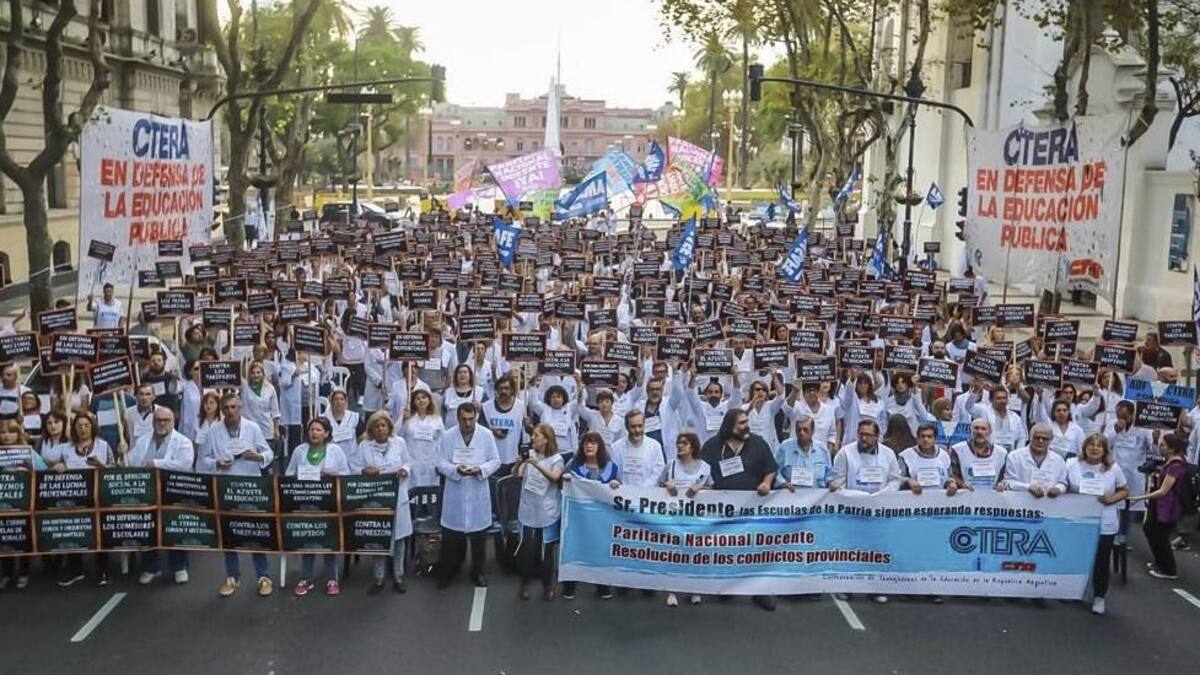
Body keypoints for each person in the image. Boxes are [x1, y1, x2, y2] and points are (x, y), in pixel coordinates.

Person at [700, 408, 777, 611]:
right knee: (727, 549)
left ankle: (760, 592)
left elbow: (770, 469)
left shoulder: (758, 443)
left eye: (746, 421)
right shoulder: (713, 446)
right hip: (723, 510)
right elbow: (701, 473)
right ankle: (728, 587)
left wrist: (767, 483)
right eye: (741, 423)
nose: (746, 426)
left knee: (756, 551)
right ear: (729, 426)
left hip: (753, 509)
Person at [200, 393, 275, 598]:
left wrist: (257, 457)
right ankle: (232, 577)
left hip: (250, 486)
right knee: (229, 532)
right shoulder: (213, 431)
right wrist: (216, 463)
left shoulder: (252, 428)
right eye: (226, 408)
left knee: (255, 531)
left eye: (234, 407)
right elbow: (203, 460)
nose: (230, 412)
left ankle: (264, 576)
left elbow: (269, 453)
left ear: (240, 407)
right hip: (226, 487)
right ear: (221, 410)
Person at [42, 411, 112, 586]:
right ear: (74, 428)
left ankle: (103, 570)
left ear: (92, 427)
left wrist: (101, 466)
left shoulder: (103, 446)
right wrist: (58, 466)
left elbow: (114, 470)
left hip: (97, 495)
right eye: (79, 425)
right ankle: (76, 570)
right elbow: (53, 468)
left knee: (99, 532)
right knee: (73, 530)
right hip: (73, 497)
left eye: (86, 425)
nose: (83, 429)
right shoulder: (66, 448)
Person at [435, 402, 500, 589]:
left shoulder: (486, 435)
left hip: (478, 491)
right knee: (451, 539)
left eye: (471, 419)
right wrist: (456, 470)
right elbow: (440, 462)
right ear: (458, 418)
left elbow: (496, 461)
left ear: (476, 416)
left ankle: (478, 572)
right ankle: (448, 572)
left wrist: (480, 469)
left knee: (479, 539)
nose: (468, 423)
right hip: (456, 492)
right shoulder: (448, 436)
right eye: (464, 419)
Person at [286, 417, 350, 596]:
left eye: (318, 430)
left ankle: (332, 579)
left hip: (328, 503)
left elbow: (347, 475)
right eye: (312, 429)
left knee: (328, 541)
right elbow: (288, 473)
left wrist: (333, 473)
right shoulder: (299, 451)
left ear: (327, 433)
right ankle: (306, 579)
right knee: (308, 539)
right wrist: (299, 475)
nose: (314, 433)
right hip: (305, 503)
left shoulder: (336, 451)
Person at [129, 407, 194, 585]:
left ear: (173, 422)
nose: (162, 423)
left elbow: (184, 464)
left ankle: (179, 567)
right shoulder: (143, 440)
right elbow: (132, 462)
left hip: (172, 491)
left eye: (166, 420)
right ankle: (151, 567)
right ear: (153, 422)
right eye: (159, 420)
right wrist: (123, 454)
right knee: (148, 528)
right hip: (147, 492)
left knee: (173, 529)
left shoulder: (183, 442)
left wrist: (156, 463)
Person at [1065, 434, 1129, 615]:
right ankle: (1072, 591)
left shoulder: (1113, 468)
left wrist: (1112, 499)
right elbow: (1062, 484)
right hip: (1076, 519)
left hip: (1105, 521)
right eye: (1091, 445)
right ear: (1084, 448)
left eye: (1099, 446)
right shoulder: (1071, 464)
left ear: (1104, 450)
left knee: (1101, 560)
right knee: (1076, 556)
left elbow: (1125, 490)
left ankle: (1099, 597)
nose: (1094, 448)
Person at [561, 431, 620, 600]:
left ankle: (602, 585)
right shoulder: (574, 464)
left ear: (600, 446)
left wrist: (616, 484)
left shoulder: (611, 467)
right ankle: (570, 585)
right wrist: (565, 480)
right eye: (586, 443)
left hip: (601, 519)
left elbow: (619, 489)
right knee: (574, 548)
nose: (589, 446)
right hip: (578, 519)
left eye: (593, 443)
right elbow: (561, 484)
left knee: (600, 550)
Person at [357, 411, 412, 593]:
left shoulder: (400, 443)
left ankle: (398, 575)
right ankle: (379, 578)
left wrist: (404, 469)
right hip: (376, 498)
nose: (380, 429)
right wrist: (365, 470)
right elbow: (355, 466)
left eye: (383, 426)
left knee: (399, 539)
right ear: (371, 429)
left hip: (398, 496)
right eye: (376, 426)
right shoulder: (364, 446)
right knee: (378, 537)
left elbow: (408, 461)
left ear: (389, 427)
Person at [514, 423, 564, 601]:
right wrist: (520, 462)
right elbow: (517, 474)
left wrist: (536, 465)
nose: (532, 438)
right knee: (528, 549)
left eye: (536, 435)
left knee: (547, 551)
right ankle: (525, 582)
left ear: (546, 439)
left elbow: (555, 477)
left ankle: (547, 585)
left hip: (547, 511)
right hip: (528, 508)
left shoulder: (557, 459)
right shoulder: (530, 455)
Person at [1129, 432, 1189, 580]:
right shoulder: (1169, 462)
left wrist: (1138, 497)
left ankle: (1169, 569)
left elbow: (1163, 491)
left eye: (1163, 445)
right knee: (1149, 528)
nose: (1160, 447)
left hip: (1168, 507)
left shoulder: (1176, 465)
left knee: (1160, 535)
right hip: (1161, 505)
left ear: (1172, 448)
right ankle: (1160, 562)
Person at [660, 431, 709, 608]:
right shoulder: (671, 465)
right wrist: (667, 485)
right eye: (679, 443)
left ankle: (693, 588)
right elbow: (658, 486)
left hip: (695, 517)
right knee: (673, 552)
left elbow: (715, 490)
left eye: (685, 443)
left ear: (693, 446)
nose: (680, 446)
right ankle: (671, 590)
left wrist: (702, 490)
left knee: (694, 552)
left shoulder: (705, 467)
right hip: (674, 516)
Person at [0, 420, 44, 589]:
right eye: (3, 432)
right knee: (4, 538)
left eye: (10, 432)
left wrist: (27, 470)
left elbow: (43, 470)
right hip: (3, 506)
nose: (6, 436)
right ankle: (6, 574)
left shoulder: (28, 452)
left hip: (24, 504)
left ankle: (24, 573)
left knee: (22, 537)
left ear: (18, 434)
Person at [1002, 424, 1068, 497]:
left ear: (1051, 440)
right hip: (1020, 504)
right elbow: (1008, 482)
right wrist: (1028, 487)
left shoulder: (1059, 460)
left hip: (1050, 503)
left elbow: (1063, 483)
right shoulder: (1014, 456)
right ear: (1030, 437)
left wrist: (1057, 489)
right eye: (1037, 437)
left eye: (1045, 438)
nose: (1040, 441)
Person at [609, 410, 664, 488]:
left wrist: (642, 489)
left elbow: (659, 472)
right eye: (633, 426)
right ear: (626, 426)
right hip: (623, 494)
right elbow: (613, 473)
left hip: (648, 494)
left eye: (640, 426)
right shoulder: (615, 447)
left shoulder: (655, 446)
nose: (637, 430)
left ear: (644, 425)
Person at [899, 423, 957, 496]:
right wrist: (908, 481)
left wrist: (951, 483)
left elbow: (949, 476)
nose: (925, 439)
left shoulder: (943, 455)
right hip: (914, 500)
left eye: (929, 436)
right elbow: (897, 479)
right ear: (918, 438)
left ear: (935, 439)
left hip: (940, 501)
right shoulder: (906, 456)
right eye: (922, 436)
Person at [774, 416, 832, 490]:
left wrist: (831, 483)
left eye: (805, 430)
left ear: (813, 430)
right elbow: (775, 471)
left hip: (817, 498)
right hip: (790, 497)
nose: (801, 433)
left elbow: (829, 474)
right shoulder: (784, 448)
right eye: (799, 430)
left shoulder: (822, 450)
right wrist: (783, 483)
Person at [950, 418, 1008, 492]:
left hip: (993, 498)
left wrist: (1001, 484)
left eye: (983, 429)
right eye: (976, 428)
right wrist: (961, 484)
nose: (979, 432)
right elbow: (952, 474)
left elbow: (1004, 478)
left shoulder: (1001, 453)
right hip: (966, 497)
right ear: (971, 430)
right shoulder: (958, 449)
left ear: (990, 432)